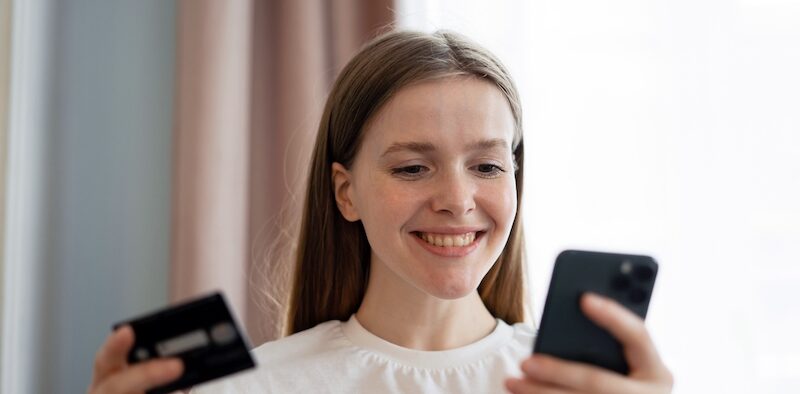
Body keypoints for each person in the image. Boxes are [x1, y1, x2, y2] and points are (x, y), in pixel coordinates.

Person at [88, 30, 673, 394]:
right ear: (346, 193)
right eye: (412, 168)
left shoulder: (583, 388)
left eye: (488, 167)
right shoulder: (253, 387)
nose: (457, 200)